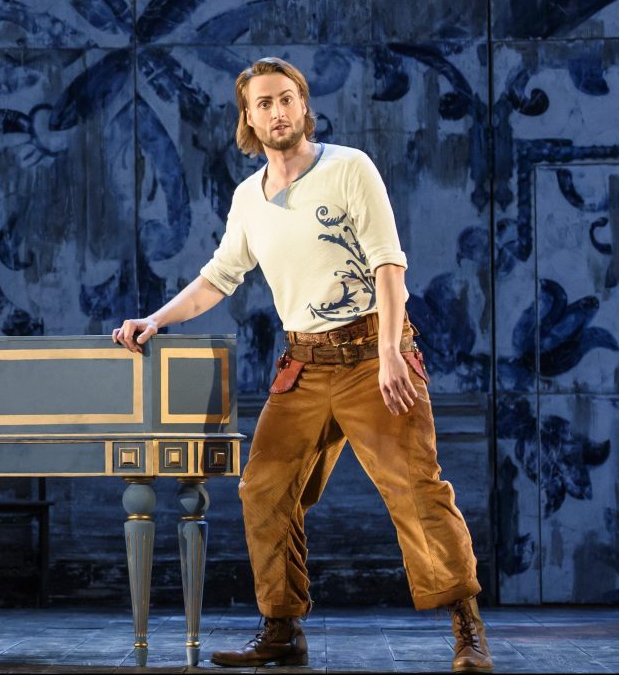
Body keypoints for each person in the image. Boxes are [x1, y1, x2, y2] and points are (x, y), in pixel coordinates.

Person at [111, 57, 492, 673]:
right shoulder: (248, 198)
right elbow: (219, 277)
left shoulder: (348, 168)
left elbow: (388, 264)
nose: (277, 111)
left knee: (417, 489)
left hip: (371, 353)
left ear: (303, 105)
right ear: (248, 118)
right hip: (305, 365)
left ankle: (467, 628)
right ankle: (282, 628)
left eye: (286, 98)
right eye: (263, 103)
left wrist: (390, 351)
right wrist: (156, 319)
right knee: (263, 488)